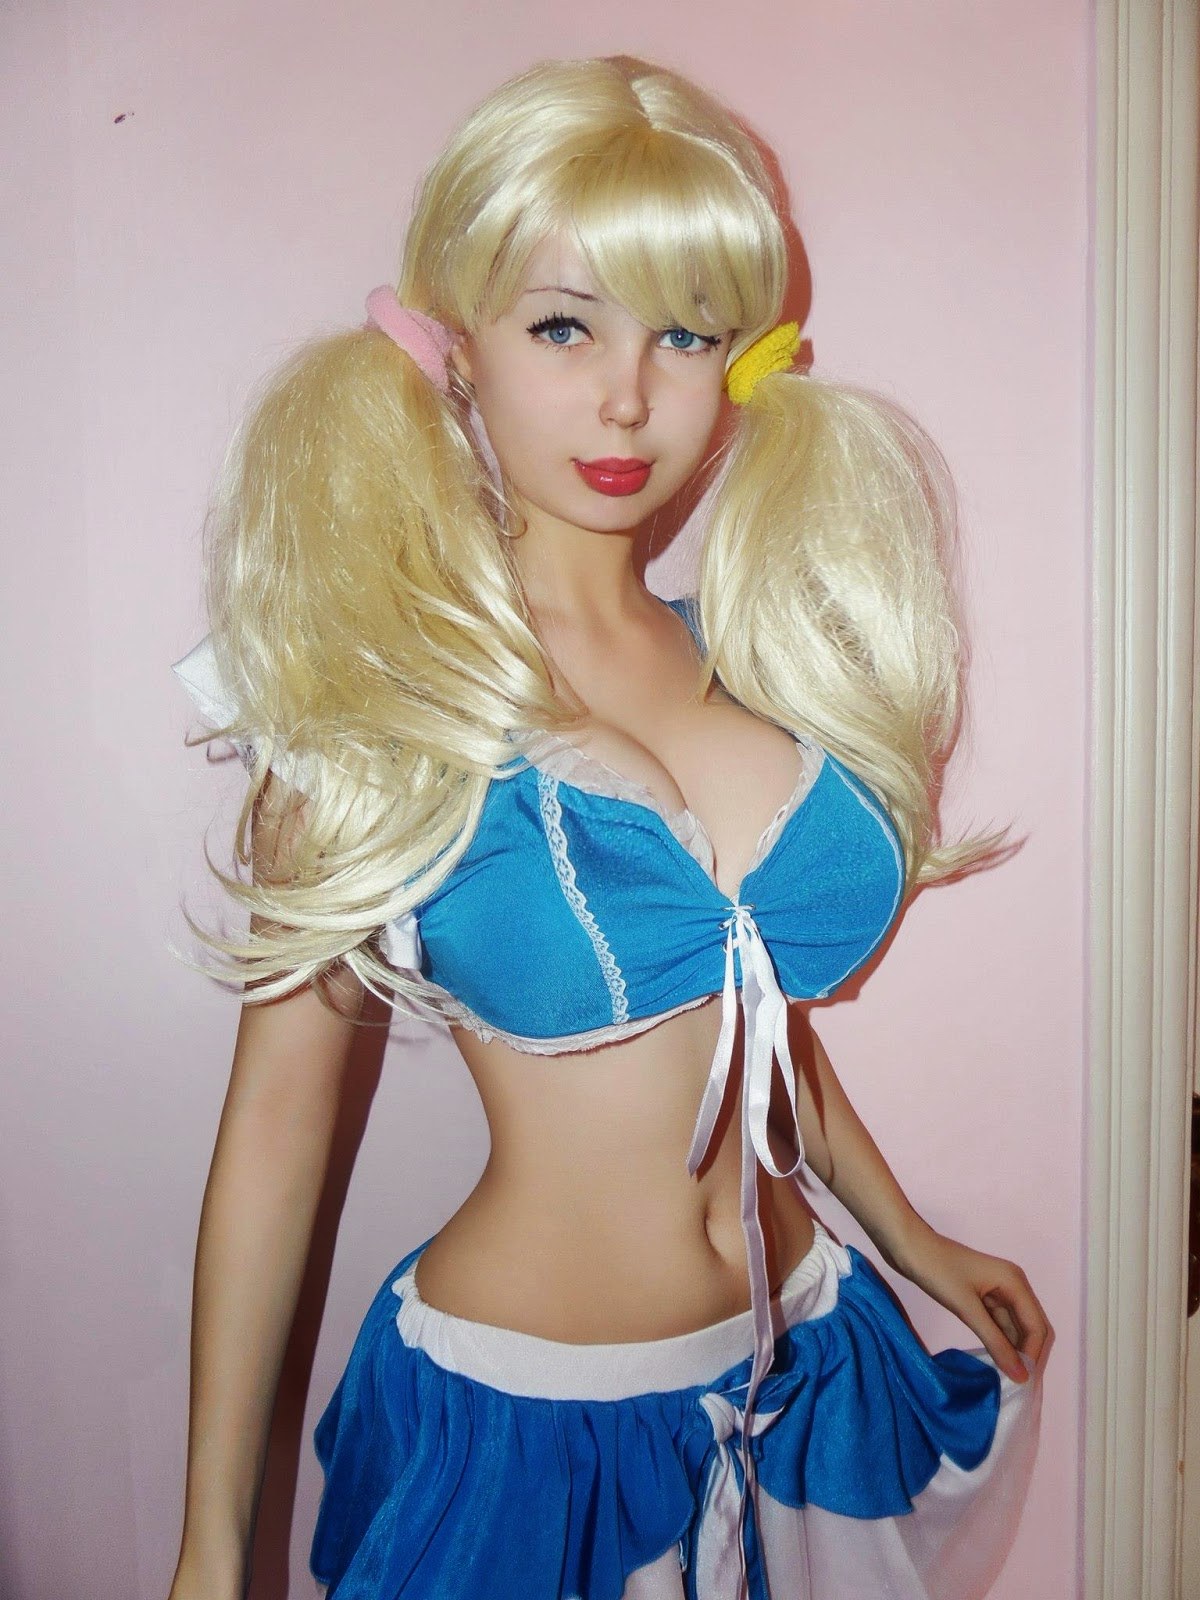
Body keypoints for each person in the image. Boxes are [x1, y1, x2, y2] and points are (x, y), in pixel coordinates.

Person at [168, 53, 1051, 1600]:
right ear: (456, 346)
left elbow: (751, 1023)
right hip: (528, 1439)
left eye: (685, 333)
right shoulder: (386, 705)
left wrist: (910, 1241)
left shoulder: (754, 660)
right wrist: (207, 1545)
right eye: (565, 326)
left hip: (798, 1363)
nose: (631, 397)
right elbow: (272, 1139)